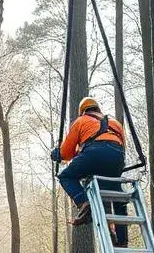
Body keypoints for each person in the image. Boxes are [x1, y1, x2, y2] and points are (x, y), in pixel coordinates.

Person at [52, 96, 128, 239]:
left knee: (65, 176)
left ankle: (83, 202)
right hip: (117, 158)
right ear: (98, 109)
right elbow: (120, 145)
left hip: (94, 154)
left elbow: (66, 152)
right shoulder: (115, 123)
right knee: (117, 195)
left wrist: (58, 155)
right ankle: (122, 238)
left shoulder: (81, 121)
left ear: (83, 111)